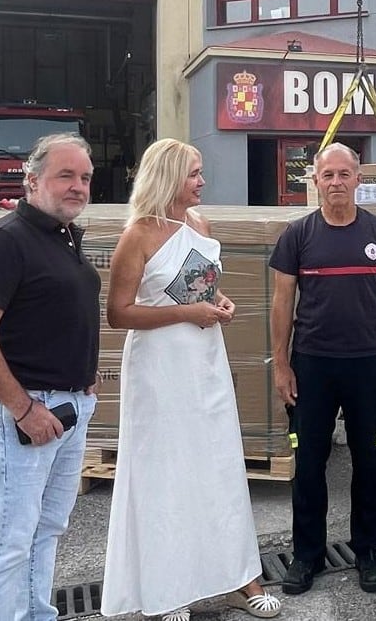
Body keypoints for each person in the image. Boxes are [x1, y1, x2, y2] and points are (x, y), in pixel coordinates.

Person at [100, 139, 280, 621]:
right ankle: (168, 590)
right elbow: (118, 313)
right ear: (169, 177)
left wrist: (221, 305)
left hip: (205, 360)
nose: (203, 181)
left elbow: (205, 287)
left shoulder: (200, 224)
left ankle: (242, 577)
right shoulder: (137, 234)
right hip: (159, 367)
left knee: (219, 463)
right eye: (194, 173)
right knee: (166, 471)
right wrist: (190, 312)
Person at [0, 133, 101, 621]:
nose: (78, 186)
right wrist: (23, 408)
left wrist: (85, 378)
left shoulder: (63, 236)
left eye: (85, 177)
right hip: (25, 411)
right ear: (32, 179)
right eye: (66, 175)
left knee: (46, 530)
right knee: (10, 542)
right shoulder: (7, 241)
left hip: (67, 408)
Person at [269, 142, 376, 596]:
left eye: (343, 174)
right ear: (315, 181)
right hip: (312, 365)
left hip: (369, 364)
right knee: (308, 464)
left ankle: (368, 551)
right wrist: (282, 365)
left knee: (369, 462)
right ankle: (307, 555)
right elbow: (281, 302)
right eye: (326, 175)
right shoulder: (297, 235)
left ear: (358, 178)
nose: (335, 183)